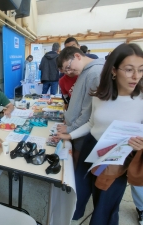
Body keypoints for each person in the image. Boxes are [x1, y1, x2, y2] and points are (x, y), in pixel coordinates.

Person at [57, 43, 143, 225]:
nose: (136, 76)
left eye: (141, 70)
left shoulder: (141, 99)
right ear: (113, 70)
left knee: (105, 206)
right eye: (129, 69)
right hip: (91, 148)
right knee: (78, 192)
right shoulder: (99, 95)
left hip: (118, 156)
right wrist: (70, 136)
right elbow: (91, 123)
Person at [56, 46, 105, 166]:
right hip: (75, 130)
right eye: (65, 71)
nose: (68, 73)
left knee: (77, 164)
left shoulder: (94, 73)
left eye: (68, 67)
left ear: (77, 56)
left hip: (81, 132)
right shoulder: (85, 71)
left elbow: (88, 113)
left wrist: (70, 129)